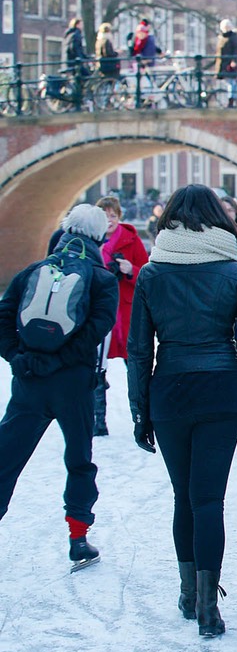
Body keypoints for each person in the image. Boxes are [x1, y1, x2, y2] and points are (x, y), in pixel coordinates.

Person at [127, 184, 237, 638]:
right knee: (209, 499)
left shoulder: (152, 273)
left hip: (170, 389)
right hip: (220, 389)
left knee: (182, 497)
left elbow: (138, 351)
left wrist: (140, 410)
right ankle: (210, 606)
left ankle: (188, 592)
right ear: (219, 219)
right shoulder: (233, 271)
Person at [0, 205, 118, 568]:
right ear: (100, 236)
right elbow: (95, 334)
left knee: (6, 458)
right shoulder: (102, 279)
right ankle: (78, 539)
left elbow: (3, 315)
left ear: (66, 228)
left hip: (29, 380)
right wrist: (59, 361)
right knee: (79, 460)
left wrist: (18, 358)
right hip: (74, 385)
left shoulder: (34, 270)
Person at [93, 196, 149, 437]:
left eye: (113, 216)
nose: (109, 221)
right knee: (96, 368)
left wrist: (130, 270)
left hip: (126, 311)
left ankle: (142, 415)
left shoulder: (132, 240)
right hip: (101, 313)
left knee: (135, 366)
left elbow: (147, 275)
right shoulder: (91, 243)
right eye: (104, 216)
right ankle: (98, 421)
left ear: (119, 218)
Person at [213, 19, 237, 107]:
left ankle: (231, 101)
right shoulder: (221, 37)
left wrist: (234, 61)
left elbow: (236, 50)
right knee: (226, 82)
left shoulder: (233, 37)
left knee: (231, 82)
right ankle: (225, 100)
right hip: (222, 63)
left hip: (229, 63)